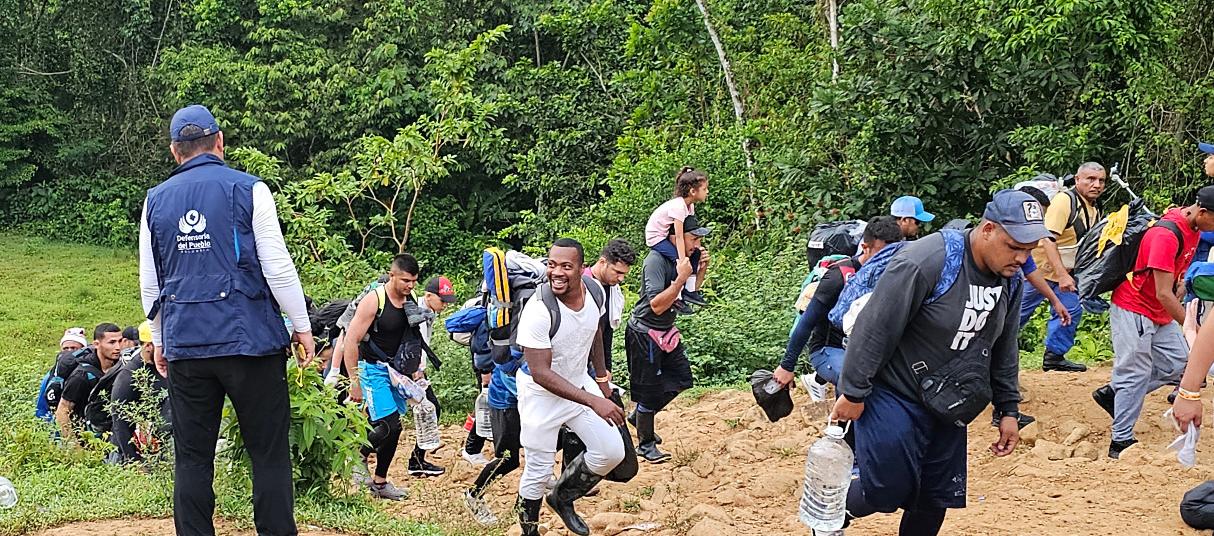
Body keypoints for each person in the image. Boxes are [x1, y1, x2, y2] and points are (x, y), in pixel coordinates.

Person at [139, 104, 315, 536]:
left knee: (193, 458)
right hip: (250, 345)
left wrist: (160, 337)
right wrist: (302, 326)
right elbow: (276, 265)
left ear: (174, 151)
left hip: (187, 345)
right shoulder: (249, 189)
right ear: (220, 142)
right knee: (269, 453)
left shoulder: (155, 200)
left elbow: (150, 282)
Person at [827, 190, 1044, 536]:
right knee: (887, 489)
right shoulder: (930, 260)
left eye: (1029, 250)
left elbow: (1004, 344)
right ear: (988, 229)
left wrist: (1008, 409)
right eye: (1015, 246)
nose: (1022, 258)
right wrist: (853, 392)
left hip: (950, 396)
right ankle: (830, 510)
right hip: (893, 391)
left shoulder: (1010, 280)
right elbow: (875, 326)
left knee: (935, 498)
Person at [514, 238, 625, 536]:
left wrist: (602, 381)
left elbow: (595, 333)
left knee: (611, 451)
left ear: (581, 269)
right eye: (551, 265)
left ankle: (562, 498)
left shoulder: (596, 293)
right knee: (537, 472)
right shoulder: (538, 310)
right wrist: (593, 401)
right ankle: (530, 531)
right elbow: (540, 373)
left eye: (566, 266)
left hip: (580, 383)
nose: (557, 272)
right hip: (540, 396)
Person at [1095, 186, 1214, 459]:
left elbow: (1171, 282)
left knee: (1183, 364)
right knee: (1134, 372)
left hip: (1159, 310)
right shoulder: (1165, 235)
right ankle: (1120, 441)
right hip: (1135, 306)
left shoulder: (1193, 228)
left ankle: (1115, 394)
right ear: (1203, 212)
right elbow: (1162, 292)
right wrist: (1192, 328)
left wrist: (1183, 285)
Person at [771, 216, 904, 400]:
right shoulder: (839, 276)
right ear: (865, 248)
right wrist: (787, 366)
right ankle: (838, 427)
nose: (886, 259)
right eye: (882, 253)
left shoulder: (899, 274)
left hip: (872, 349)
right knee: (853, 378)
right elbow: (807, 322)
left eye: (893, 253)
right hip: (830, 348)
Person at [342, 254, 429, 500]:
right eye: (405, 280)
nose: (410, 286)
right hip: (372, 369)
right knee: (391, 425)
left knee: (390, 427)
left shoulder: (409, 300)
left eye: (414, 281)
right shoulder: (374, 301)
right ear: (392, 275)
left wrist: (415, 371)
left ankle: (375, 476)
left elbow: (410, 339)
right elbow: (351, 339)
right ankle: (365, 463)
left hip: (396, 372)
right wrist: (354, 381)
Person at [626, 214, 711, 462]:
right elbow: (656, 305)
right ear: (676, 237)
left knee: (681, 378)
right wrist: (681, 277)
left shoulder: (681, 258)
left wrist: (700, 270)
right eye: (693, 238)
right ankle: (646, 443)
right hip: (645, 331)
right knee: (648, 390)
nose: (696, 244)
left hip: (666, 330)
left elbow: (690, 293)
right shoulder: (656, 261)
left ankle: (640, 416)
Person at [1020, 162, 1105, 373]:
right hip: (1040, 270)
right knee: (1016, 313)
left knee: (1071, 310)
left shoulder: (1093, 206)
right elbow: (1048, 240)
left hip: (1065, 272)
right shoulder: (1064, 202)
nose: (1096, 185)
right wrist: (1062, 275)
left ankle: (1054, 357)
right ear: (1077, 180)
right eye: (1090, 179)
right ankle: (990, 350)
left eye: (1101, 181)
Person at [644, 166, 710, 307]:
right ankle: (677, 297)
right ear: (693, 191)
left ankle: (691, 291)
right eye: (704, 189)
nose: (707, 192)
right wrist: (681, 260)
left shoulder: (689, 206)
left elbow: (689, 229)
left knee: (694, 255)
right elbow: (679, 236)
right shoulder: (679, 207)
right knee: (678, 262)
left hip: (666, 233)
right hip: (656, 237)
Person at [405, 276, 451, 478]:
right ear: (428, 295)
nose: (445, 306)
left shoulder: (426, 312)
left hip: (413, 369)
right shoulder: (417, 312)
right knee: (431, 408)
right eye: (443, 301)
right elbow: (415, 343)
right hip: (409, 370)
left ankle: (417, 460)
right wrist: (417, 371)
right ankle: (416, 462)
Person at [110, 321, 171, 464]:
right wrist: (135, 463)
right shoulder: (129, 376)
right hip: (136, 453)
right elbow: (120, 423)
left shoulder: (168, 366)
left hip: (165, 448)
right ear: (148, 346)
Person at [55, 323, 123, 441]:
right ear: (96, 344)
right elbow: (62, 412)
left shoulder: (121, 367)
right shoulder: (82, 376)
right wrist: (75, 447)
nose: (118, 347)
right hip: (85, 439)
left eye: (120, 341)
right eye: (112, 342)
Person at [585, 239, 637, 373]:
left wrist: (607, 368)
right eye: (617, 272)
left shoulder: (611, 287)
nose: (621, 279)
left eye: (624, 274)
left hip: (598, 362)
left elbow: (607, 330)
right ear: (603, 262)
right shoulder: (582, 286)